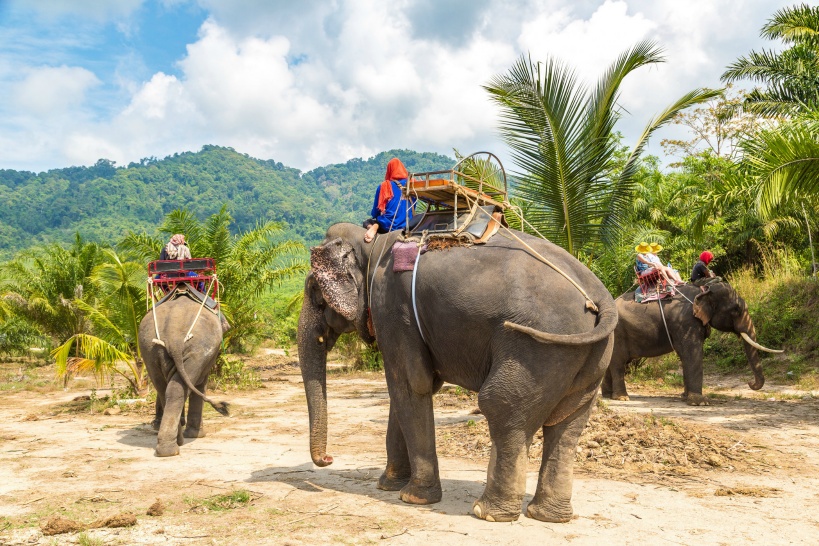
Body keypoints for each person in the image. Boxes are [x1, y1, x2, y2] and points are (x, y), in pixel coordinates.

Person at [363, 158, 416, 243]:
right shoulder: (413, 184)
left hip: (388, 226)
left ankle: (375, 227)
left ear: (389, 170)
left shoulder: (385, 186)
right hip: (409, 225)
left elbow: (375, 212)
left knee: (367, 222)